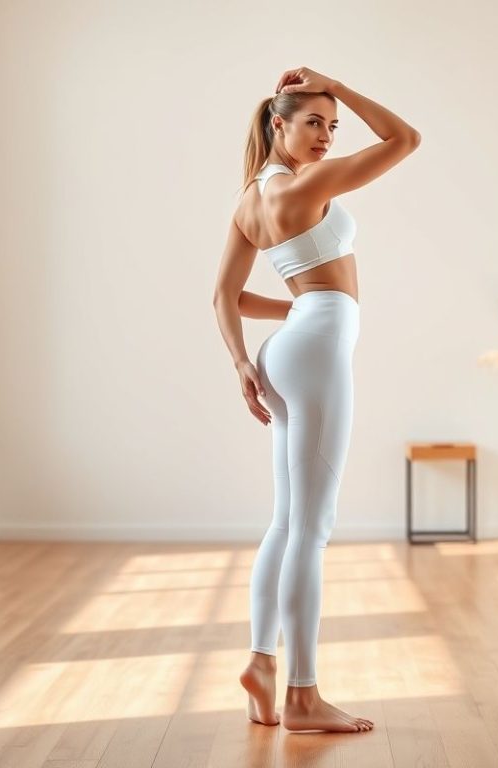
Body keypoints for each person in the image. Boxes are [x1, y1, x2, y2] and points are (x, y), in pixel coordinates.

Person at [212, 66, 421, 733]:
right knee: (313, 527)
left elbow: (228, 298)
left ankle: (261, 662)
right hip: (319, 343)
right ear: (279, 123)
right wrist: (340, 83)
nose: (328, 137)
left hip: (287, 349)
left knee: (285, 521)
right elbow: (405, 139)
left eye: (334, 126)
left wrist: (245, 362)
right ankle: (302, 697)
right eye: (315, 122)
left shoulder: (251, 199)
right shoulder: (306, 183)